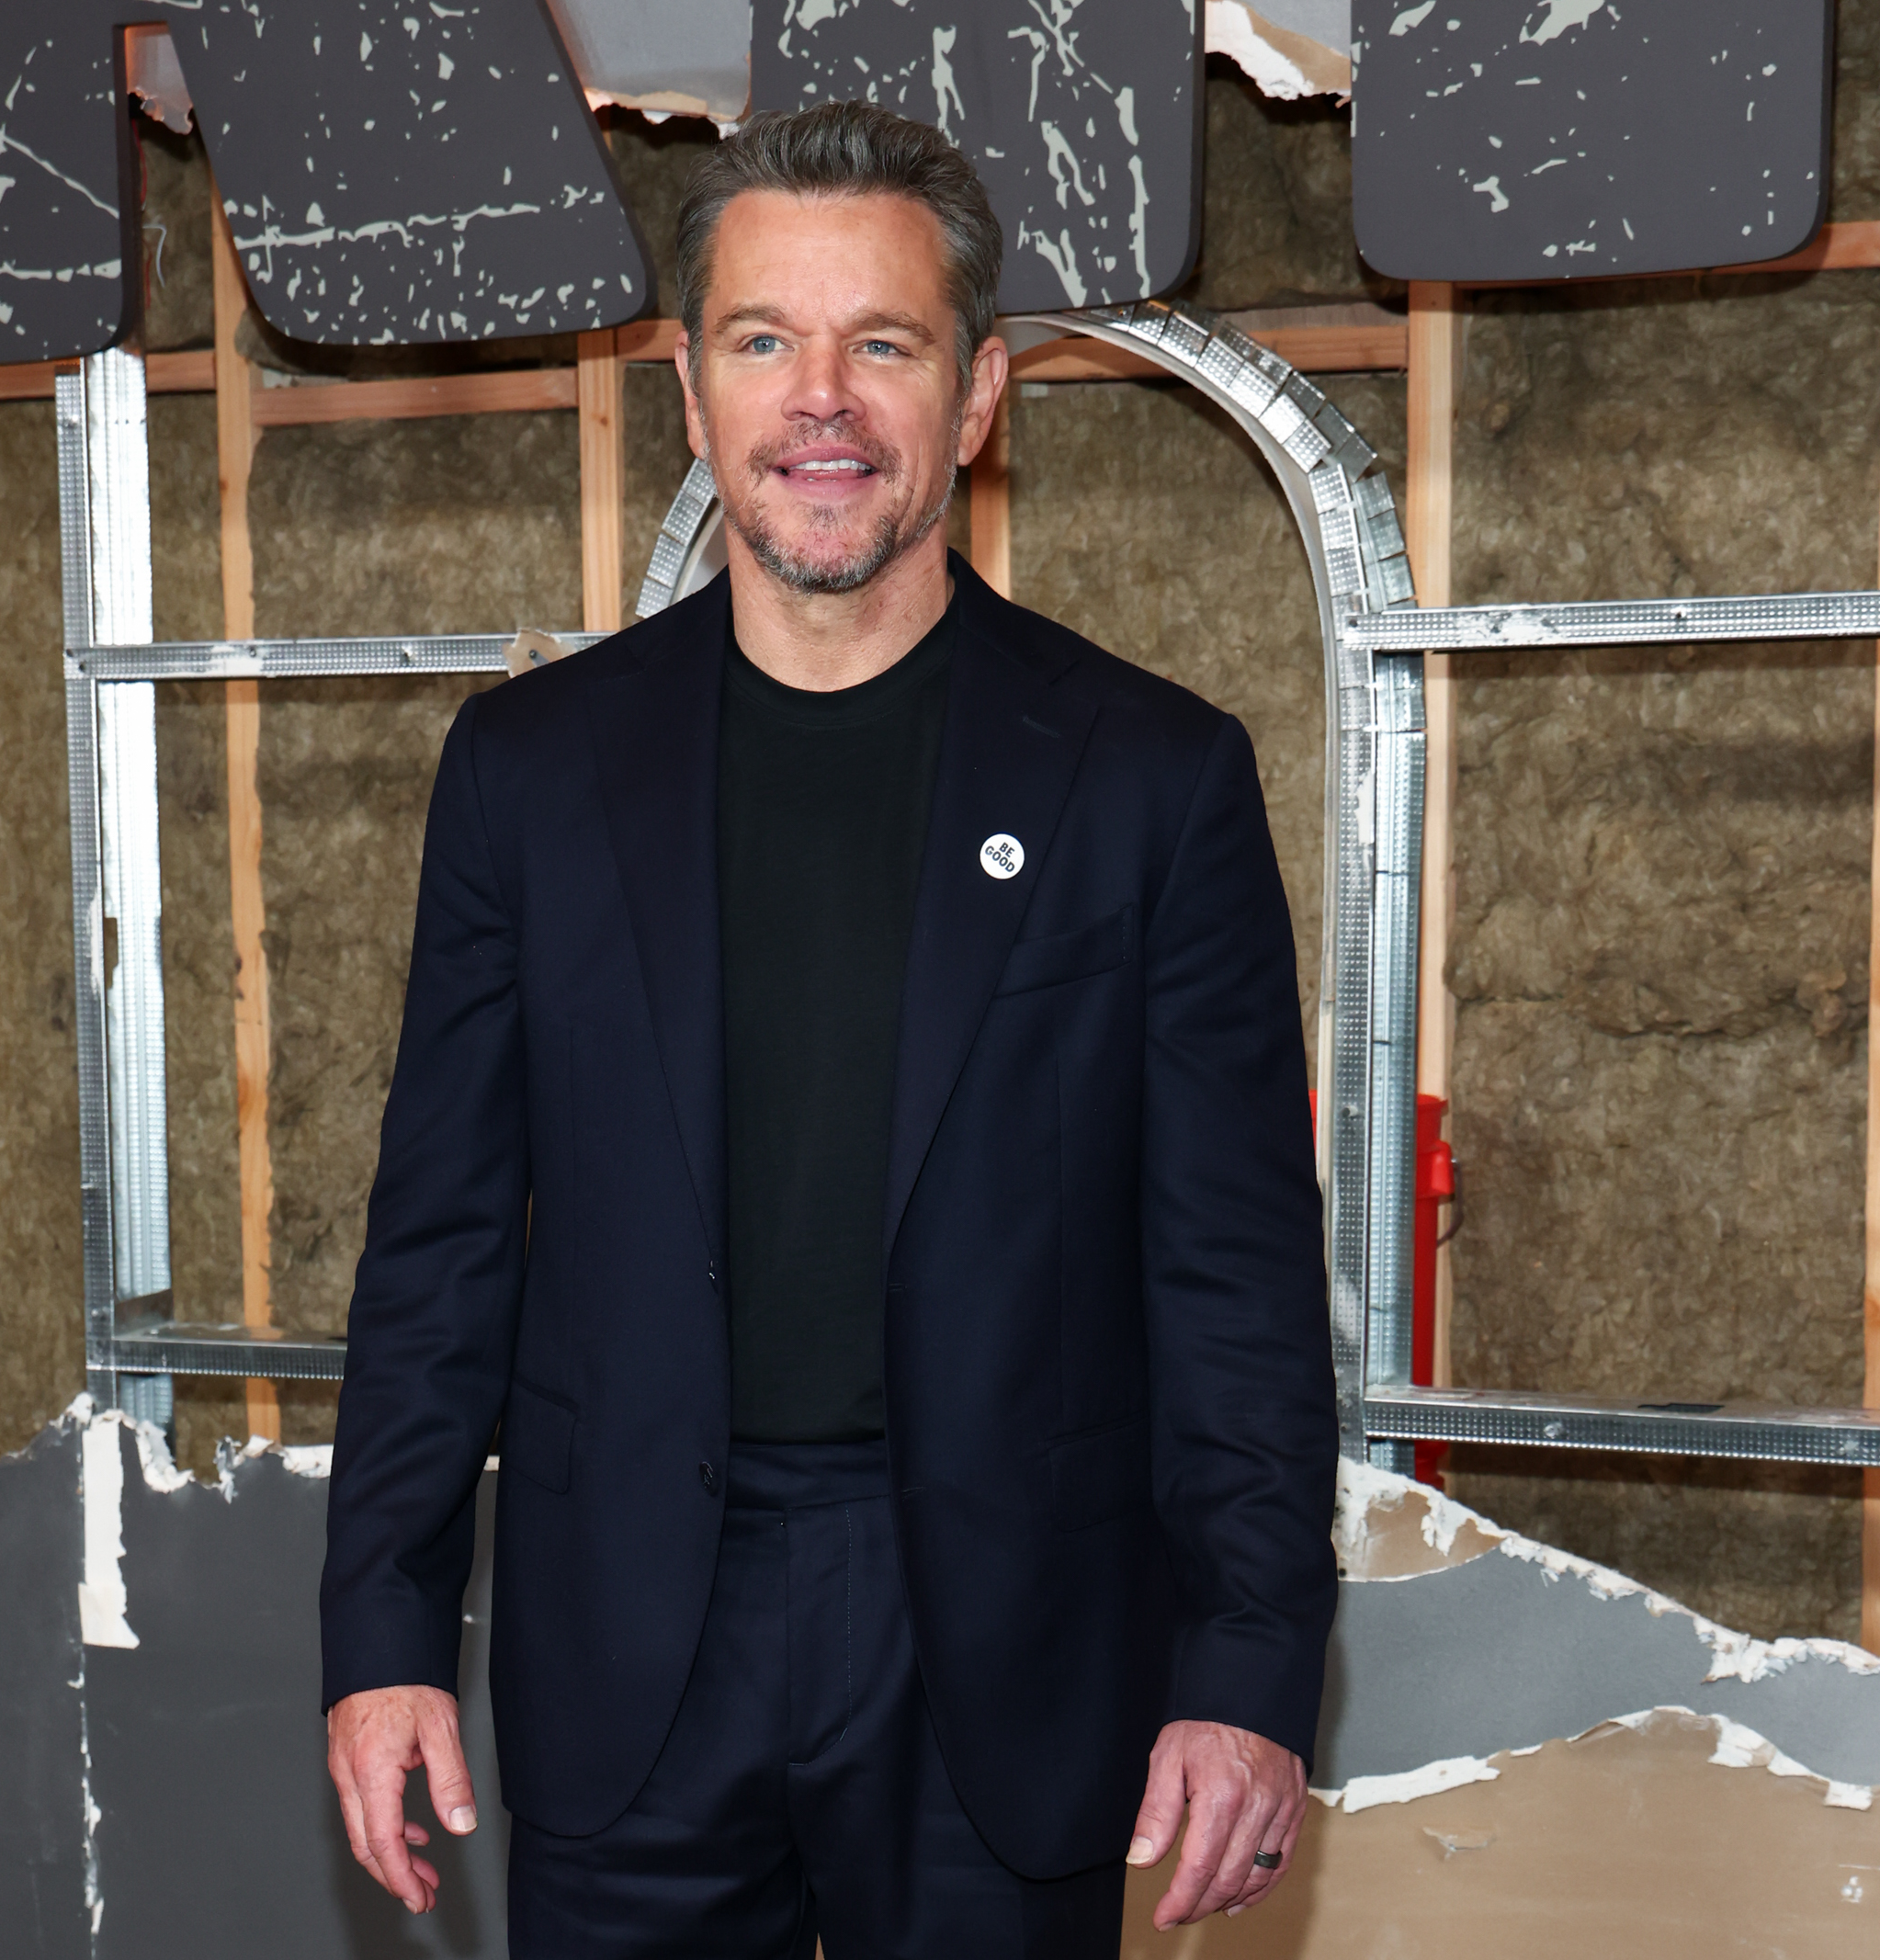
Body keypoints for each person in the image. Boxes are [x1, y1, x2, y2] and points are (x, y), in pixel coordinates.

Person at [319, 99, 1337, 1958]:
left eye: (884, 343)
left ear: (975, 397)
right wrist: (381, 1629)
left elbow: (1236, 1278)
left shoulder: (1152, 781)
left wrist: (1251, 1661)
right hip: (632, 1629)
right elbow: (441, 1243)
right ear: (690, 393)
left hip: (999, 1656)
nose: (823, 401)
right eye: (763, 340)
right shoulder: (528, 778)